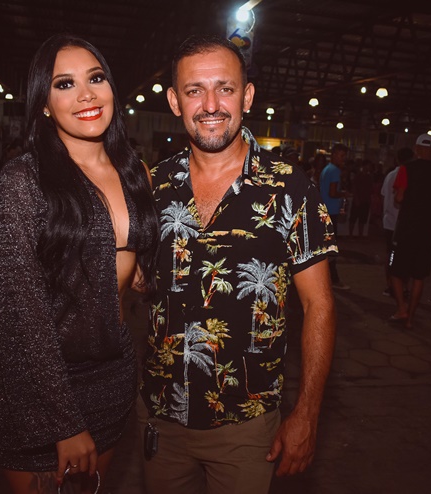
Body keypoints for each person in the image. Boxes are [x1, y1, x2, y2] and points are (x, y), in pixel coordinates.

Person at [138, 34, 337, 494]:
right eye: (194, 91)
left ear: (246, 97)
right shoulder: (151, 186)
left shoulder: (290, 188)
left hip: (247, 427)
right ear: (174, 101)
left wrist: (307, 413)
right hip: (160, 418)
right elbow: (127, 281)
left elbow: (320, 306)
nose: (211, 105)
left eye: (224, 88)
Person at [0, 34, 158, 494]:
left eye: (95, 78)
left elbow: (136, 267)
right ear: (43, 103)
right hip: (34, 384)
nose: (86, 95)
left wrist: (139, 271)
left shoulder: (135, 172)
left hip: (112, 375)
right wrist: (63, 423)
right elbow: (23, 306)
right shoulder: (24, 180)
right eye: (64, 84)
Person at [388, 134, 431, 329]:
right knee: (419, 276)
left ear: (416, 149)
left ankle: (401, 308)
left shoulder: (406, 169)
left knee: (395, 271)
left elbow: (399, 198)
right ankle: (411, 318)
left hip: (406, 228)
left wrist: (401, 196)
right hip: (428, 230)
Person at [381, 147, 413, 297]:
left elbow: (383, 195)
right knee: (403, 256)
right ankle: (402, 285)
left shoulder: (390, 175)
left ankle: (390, 284)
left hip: (389, 221)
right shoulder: (408, 175)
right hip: (402, 223)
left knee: (391, 255)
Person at [319, 143, 351, 290]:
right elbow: (332, 193)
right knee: (331, 249)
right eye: (342, 155)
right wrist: (343, 194)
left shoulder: (327, 169)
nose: (343, 159)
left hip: (324, 211)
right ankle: (333, 279)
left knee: (326, 247)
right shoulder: (335, 171)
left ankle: (327, 277)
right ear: (334, 154)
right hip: (331, 212)